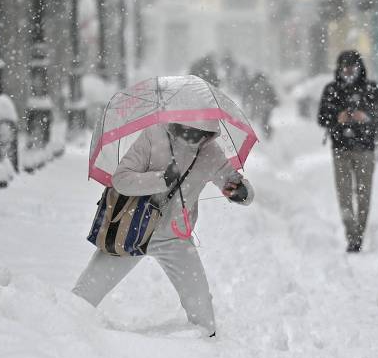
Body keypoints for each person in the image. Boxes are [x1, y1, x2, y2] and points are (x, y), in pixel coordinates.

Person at [73, 119, 253, 338]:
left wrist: (241, 192)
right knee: (80, 300)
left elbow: (236, 184)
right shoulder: (154, 135)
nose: (198, 133)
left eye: (204, 129)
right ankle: (64, 338)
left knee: (204, 319)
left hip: (175, 239)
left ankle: (207, 351)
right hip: (131, 232)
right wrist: (162, 179)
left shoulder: (210, 151)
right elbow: (121, 179)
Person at [318, 50, 378, 252]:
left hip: (365, 149)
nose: (348, 71)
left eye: (352, 67)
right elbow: (321, 117)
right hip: (340, 149)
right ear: (339, 69)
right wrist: (336, 117)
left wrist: (365, 117)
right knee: (344, 194)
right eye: (345, 68)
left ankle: (360, 233)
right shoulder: (331, 90)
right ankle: (352, 235)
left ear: (359, 68)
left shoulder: (371, 88)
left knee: (364, 194)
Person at [246, 72, 279, 138]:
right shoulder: (265, 86)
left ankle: (266, 133)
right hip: (261, 107)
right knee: (262, 121)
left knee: (263, 121)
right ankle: (265, 133)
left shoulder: (256, 87)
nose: (261, 82)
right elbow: (273, 97)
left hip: (263, 108)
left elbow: (273, 98)